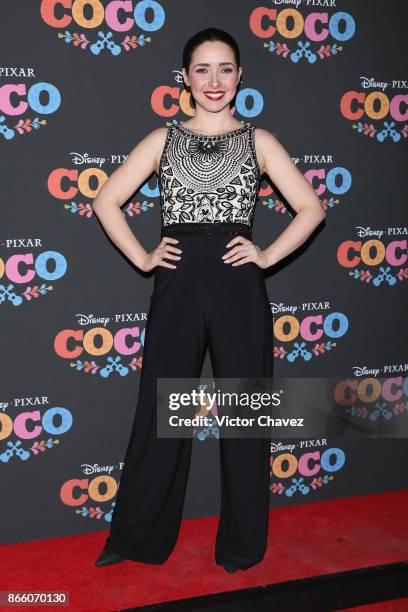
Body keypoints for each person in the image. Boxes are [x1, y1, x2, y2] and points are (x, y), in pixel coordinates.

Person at [93, 27, 326, 573]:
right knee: (159, 412)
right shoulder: (162, 140)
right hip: (176, 283)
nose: (214, 81)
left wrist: (266, 255)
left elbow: (312, 209)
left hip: (237, 286)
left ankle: (241, 548)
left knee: (246, 417)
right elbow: (106, 201)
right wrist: (143, 257)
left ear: (240, 76)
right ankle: (136, 539)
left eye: (225, 69)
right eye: (203, 69)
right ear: (186, 78)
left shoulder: (259, 142)